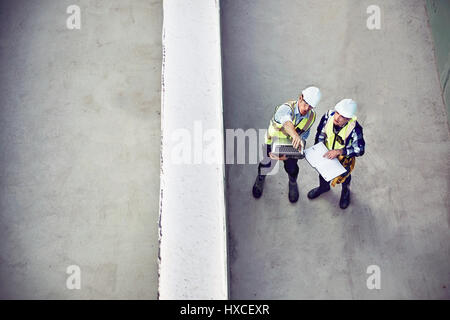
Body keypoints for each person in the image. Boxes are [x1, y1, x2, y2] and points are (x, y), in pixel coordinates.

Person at [252, 86, 322, 203]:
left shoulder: (311, 116)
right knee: (266, 164)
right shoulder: (285, 109)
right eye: (306, 104)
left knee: (292, 169)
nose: (307, 108)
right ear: (300, 98)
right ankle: (260, 178)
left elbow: (304, 134)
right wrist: (295, 135)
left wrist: (297, 147)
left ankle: (292, 182)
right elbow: (286, 122)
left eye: (311, 106)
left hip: (290, 147)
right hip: (272, 143)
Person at [307, 98, 365, 209]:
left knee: (344, 176)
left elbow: (360, 149)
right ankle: (324, 187)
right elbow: (321, 133)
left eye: (342, 116)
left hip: (344, 159)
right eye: (337, 112)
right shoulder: (328, 117)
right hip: (326, 153)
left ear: (348, 119)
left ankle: (345, 192)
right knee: (323, 173)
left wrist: (340, 151)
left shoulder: (355, 129)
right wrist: (318, 149)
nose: (337, 118)